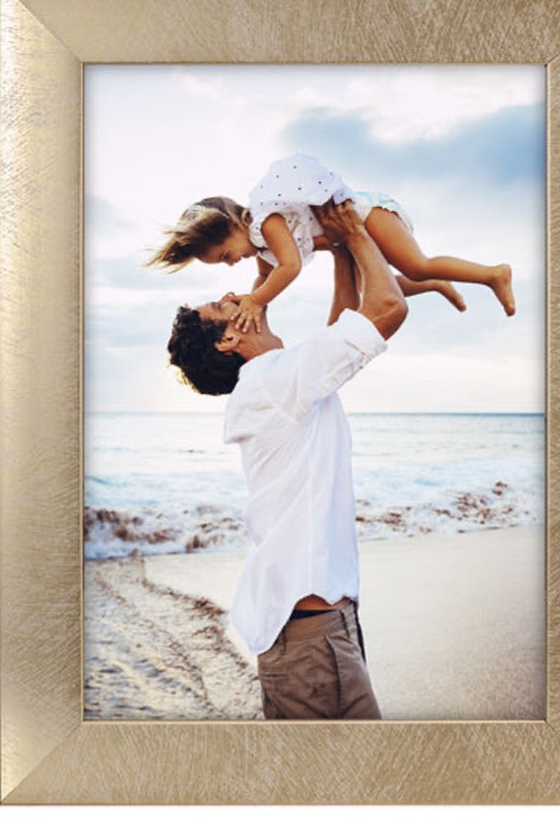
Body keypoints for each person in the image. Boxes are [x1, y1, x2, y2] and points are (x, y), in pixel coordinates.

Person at [166, 199, 409, 719]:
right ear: (231, 338)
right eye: (222, 304)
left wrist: (343, 252)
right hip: (311, 636)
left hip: (306, 630)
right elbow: (388, 309)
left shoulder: (274, 381)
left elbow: (339, 327)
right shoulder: (276, 381)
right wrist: (355, 232)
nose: (235, 295)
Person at [149, 152, 515, 334]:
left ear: (233, 225)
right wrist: (254, 300)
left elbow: (289, 268)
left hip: (367, 213)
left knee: (415, 264)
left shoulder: (266, 221)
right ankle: (435, 284)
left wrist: (258, 301)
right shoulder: (260, 247)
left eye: (227, 254)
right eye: (225, 264)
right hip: (349, 234)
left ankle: (493, 274)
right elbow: (265, 278)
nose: (233, 262)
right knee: (365, 289)